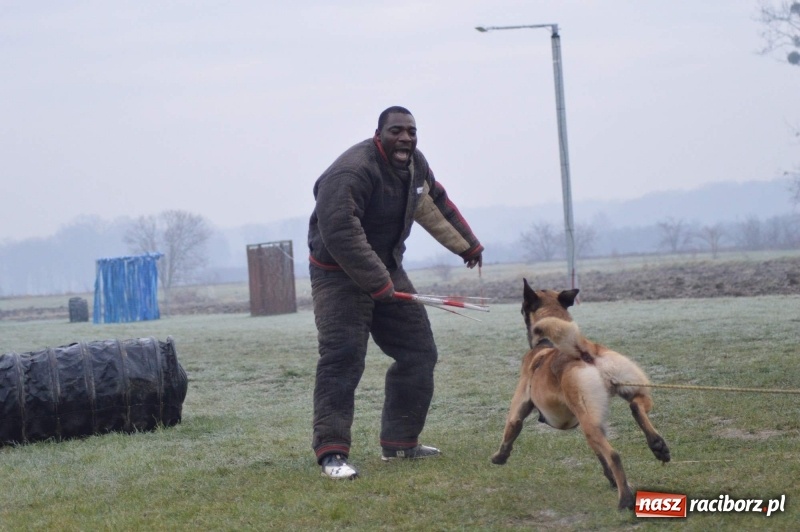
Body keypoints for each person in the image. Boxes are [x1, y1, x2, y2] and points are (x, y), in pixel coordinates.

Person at [308, 106, 484, 479]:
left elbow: (433, 201)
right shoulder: (351, 171)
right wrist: (377, 282)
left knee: (419, 352)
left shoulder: (414, 164)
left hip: (386, 270)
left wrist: (468, 246)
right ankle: (332, 453)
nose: (406, 138)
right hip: (337, 274)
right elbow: (339, 230)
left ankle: (401, 443)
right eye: (397, 131)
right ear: (379, 134)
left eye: (412, 131)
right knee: (343, 358)